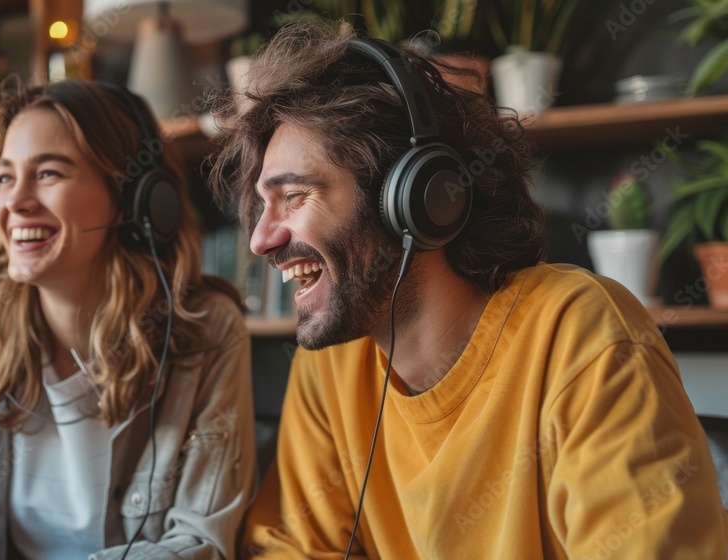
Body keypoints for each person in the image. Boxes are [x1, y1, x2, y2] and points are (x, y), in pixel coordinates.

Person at [208, 21, 728, 559]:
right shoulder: (334, 359)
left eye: (293, 196)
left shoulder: (580, 336)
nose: (261, 241)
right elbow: (291, 549)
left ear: (415, 199)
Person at [0, 79, 257, 560]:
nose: (15, 201)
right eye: (4, 177)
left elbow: (201, 542)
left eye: (47, 173)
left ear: (135, 199)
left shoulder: (208, 329)